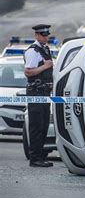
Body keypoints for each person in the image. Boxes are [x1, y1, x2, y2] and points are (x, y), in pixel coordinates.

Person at [24, 24, 54, 167]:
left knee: (43, 125)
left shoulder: (44, 49)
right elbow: (28, 72)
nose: (45, 37)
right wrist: (45, 66)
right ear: (36, 35)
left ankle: (40, 156)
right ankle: (35, 158)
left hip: (44, 93)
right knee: (36, 126)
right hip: (36, 92)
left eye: (46, 34)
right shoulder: (33, 51)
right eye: (42, 35)